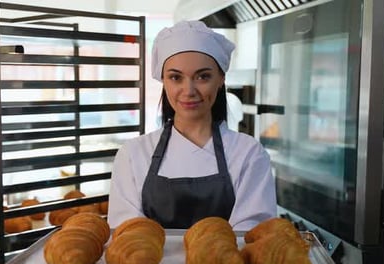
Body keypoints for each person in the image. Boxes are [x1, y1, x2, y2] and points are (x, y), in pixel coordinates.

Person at [107, 20, 276, 230]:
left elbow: (252, 238)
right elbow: (127, 237)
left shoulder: (248, 154)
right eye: (176, 77)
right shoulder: (133, 155)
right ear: (163, 80)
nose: (188, 90)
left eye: (203, 76)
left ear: (221, 78)